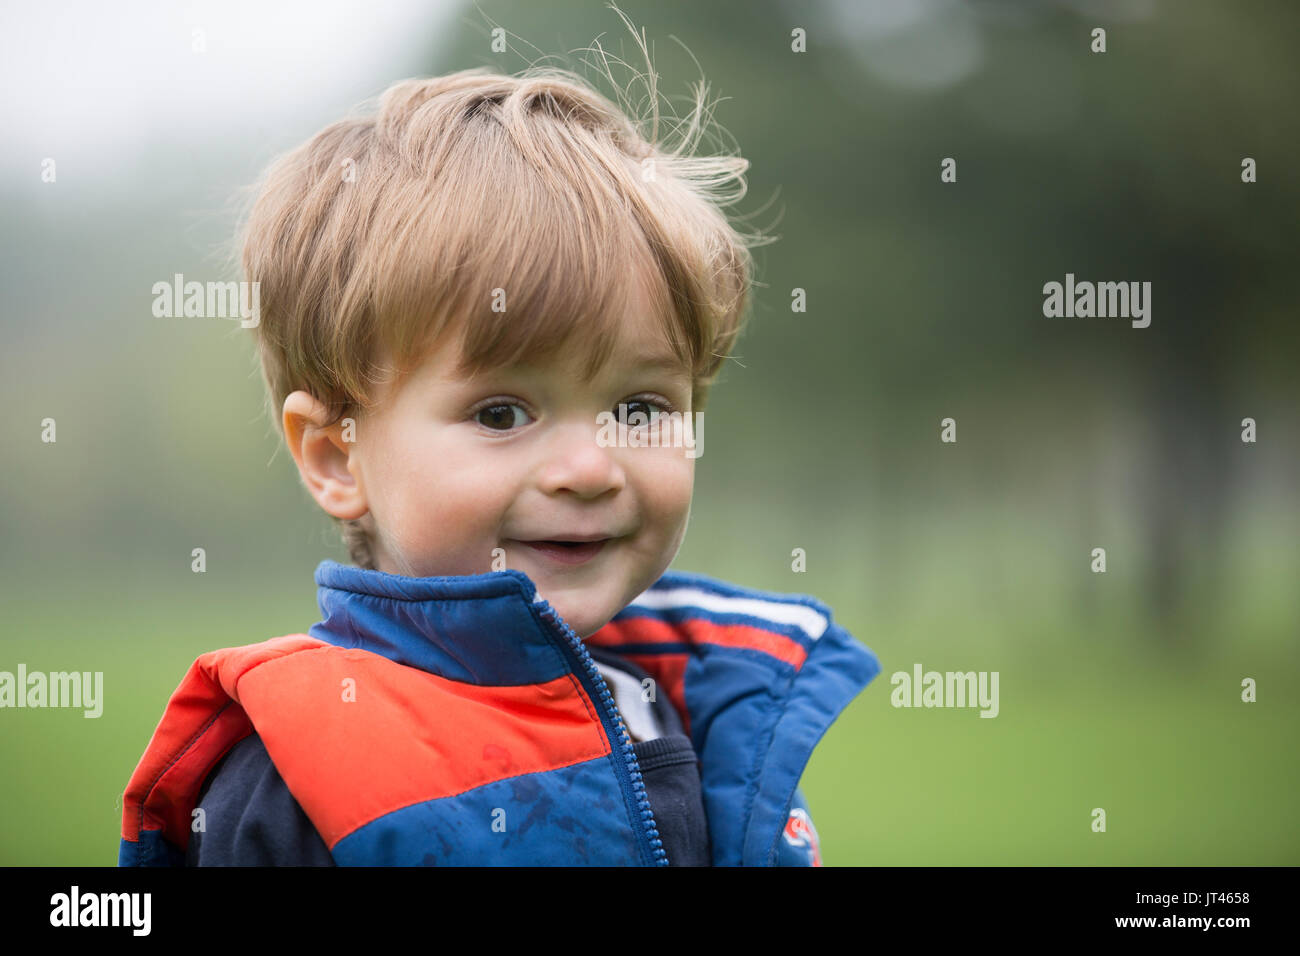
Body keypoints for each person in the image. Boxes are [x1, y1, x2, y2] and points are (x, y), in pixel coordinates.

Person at [118, 21, 879, 867]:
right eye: (502, 414)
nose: (590, 469)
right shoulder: (303, 772)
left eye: (638, 408)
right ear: (337, 455)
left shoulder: (716, 710)